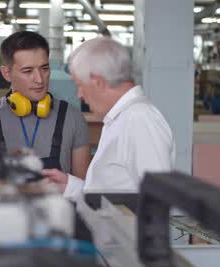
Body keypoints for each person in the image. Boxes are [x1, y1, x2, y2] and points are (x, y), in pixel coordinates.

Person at [42, 37, 175, 202]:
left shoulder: (139, 120)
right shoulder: (121, 118)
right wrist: (70, 186)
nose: (79, 95)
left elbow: (156, 201)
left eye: (80, 85)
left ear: (98, 82)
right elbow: (114, 194)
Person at [0, 31, 90, 178]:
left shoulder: (72, 117)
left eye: (44, 68)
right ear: (7, 73)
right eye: (28, 71)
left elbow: (81, 187)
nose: (39, 79)